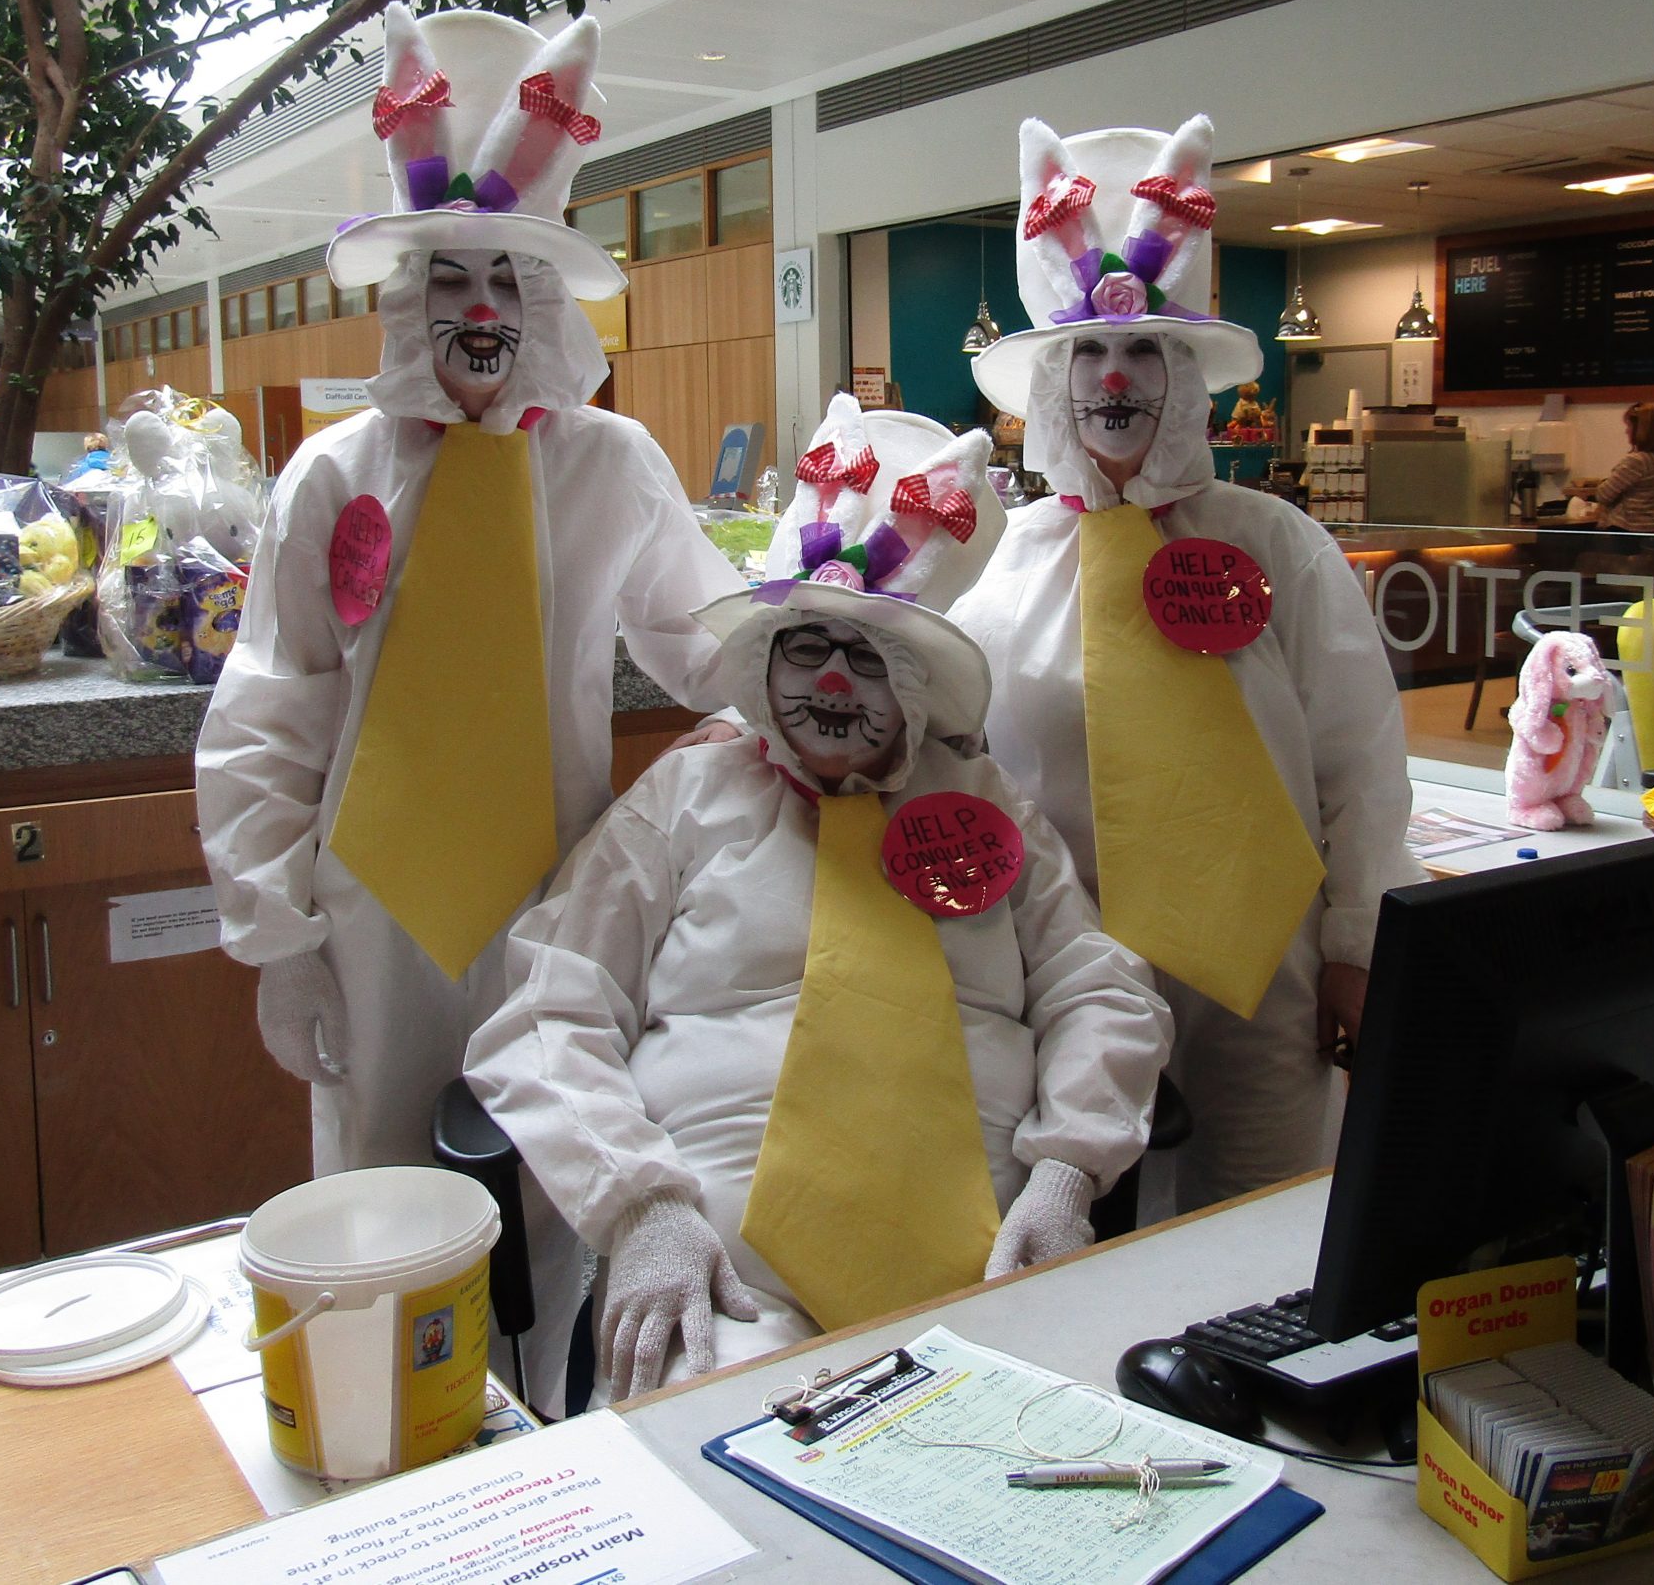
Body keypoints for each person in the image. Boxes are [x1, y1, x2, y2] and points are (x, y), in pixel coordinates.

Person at [194, 2, 744, 1407]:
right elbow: (272, 706)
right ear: (404, 295)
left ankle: (553, 1445)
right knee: (380, 1207)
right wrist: (275, 936)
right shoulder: (334, 475)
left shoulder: (611, 464)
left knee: (558, 1188)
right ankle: (394, 1455)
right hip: (370, 913)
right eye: (450, 277)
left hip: (559, 902)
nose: (482, 310)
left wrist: (822, 666)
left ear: (548, 298)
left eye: (509, 277)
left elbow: (703, 637)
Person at [468, 400, 1170, 1406]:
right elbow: (548, 1007)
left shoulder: (985, 804)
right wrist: (639, 1208)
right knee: (729, 1454)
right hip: (723, 1279)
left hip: (991, 1261)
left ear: (918, 687)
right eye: (807, 648)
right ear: (762, 663)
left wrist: (1067, 1174)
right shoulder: (684, 800)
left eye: (870, 658)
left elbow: (1099, 989)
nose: (834, 682)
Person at [952, 116, 1420, 1213]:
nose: (1115, 377)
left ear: (1187, 374)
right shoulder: (1004, 565)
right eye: (1089, 353)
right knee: (1083, 1229)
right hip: (1068, 975)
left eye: (1144, 352)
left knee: (1259, 1227)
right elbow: (940, 734)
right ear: (1055, 379)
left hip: (1264, 965)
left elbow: (1359, 760)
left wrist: (1358, 943)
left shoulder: (1276, 544)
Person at [1581, 403, 1654, 536]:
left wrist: (1603, 483)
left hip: (1630, 530)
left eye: (1629, 426)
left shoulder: (1636, 461)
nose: (1626, 431)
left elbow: (1603, 495)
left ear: (1640, 429)